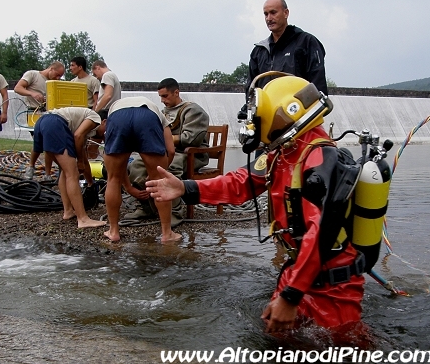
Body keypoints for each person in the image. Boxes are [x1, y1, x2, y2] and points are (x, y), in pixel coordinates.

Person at [147, 74, 365, 333]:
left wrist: (290, 296)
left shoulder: (320, 158)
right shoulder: (283, 152)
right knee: (278, 336)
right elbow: (240, 183)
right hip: (299, 269)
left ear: (282, 112)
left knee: (344, 350)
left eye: (258, 116)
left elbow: (320, 234)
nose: (254, 124)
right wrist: (186, 188)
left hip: (333, 285)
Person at [126, 78, 210, 223]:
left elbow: (190, 139)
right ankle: (148, 207)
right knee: (136, 165)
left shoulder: (192, 110)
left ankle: (174, 212)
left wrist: (166, 139)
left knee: (168, 168)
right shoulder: (162, 112)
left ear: (176, 92)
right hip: (167, 153)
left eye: (165, 96)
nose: (162, 100)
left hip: (190, 154)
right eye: (160, 97)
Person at [101, 96, 180, 243]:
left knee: (113, 179)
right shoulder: (159, 114)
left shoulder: (114, 108)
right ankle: (167, 233)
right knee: (160, 181)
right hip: (147, 117)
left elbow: (120, 167)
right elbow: (171, 150)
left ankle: (113, 231)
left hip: (118, 117)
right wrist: (157, 174)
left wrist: (128, 186)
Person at [238, 0, 327, 121]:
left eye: (273, 12)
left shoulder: (306, 42)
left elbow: (318, 87)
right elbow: (251, 90)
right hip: (266, 122)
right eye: (266, 14)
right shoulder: (259, 50)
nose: (269, 18)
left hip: (299, 121)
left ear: (286, 13)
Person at [32, 107, 107, 228]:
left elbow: (83, 158)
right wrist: (80, 162)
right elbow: (77, 136)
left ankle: (68, 211)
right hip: (55, 123)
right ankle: (83, 219)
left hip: (42, 122)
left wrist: (90, 183)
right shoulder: (95, 118)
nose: (104, 136)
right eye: (107, 130)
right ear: (104, 121)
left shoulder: (83, 127)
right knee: (72, 174)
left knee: (65, 172)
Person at [14, 62, 65, 179]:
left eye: (60, 76)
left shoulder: (54, 83)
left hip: (49, 114)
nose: (57, 78)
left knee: (49, 144)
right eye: (57, 75)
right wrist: (32, 93)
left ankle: (48, 173)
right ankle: (31, 167)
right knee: (39, 142)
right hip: (34, 114)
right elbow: (18, 88)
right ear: (51, 69)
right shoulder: (32, 75)